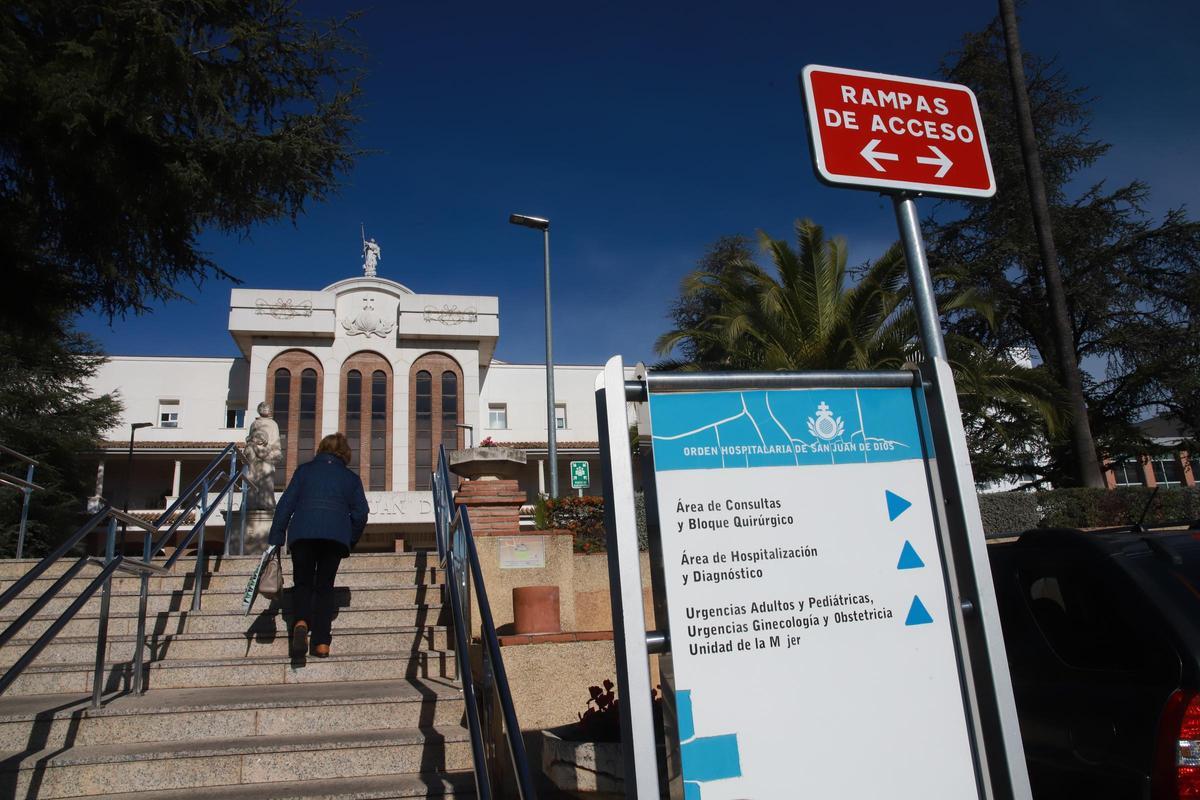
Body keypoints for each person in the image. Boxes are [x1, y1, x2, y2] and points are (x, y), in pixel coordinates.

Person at [267, 432, 369, 658]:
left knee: (302, 582)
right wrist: (349, 539)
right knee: (325, 587)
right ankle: (322, 642)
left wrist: (276, 538)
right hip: (333, 538)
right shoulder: (350, 479)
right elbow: (361, 514)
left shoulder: (304, 472)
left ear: (321, 449)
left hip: (303, 533)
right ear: (345, 454)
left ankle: (301, 621)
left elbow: (285, 506)